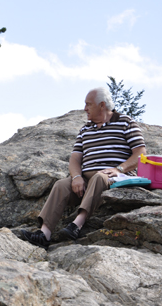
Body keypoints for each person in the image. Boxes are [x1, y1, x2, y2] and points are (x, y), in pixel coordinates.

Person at [21, 87, 146, 249]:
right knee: (61, 185)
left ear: (102, 105)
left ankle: (76, 225)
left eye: (88, 104)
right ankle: (44, 234)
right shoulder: (85, 129)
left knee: (100, 177)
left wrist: (119, 169)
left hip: (115, 178)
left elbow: (140, 153)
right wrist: (76, 177)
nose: (85, 109)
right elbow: (75, 159)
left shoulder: (126, 122)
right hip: (87, 180)